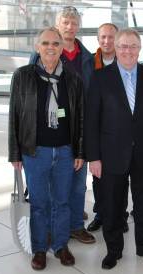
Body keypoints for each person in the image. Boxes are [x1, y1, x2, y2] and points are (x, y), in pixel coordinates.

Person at [85, 28, 143, 270]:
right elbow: (91, 121)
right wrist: (93, 157)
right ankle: (113, 250)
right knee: (112, 205)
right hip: (110, 156)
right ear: (115, 49)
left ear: (139, 49)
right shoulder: (100, 78)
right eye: (123, 46)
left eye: (132, 46)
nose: (128, 50)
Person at [8, 27, 84, 270]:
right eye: (46, 43)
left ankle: (60, 245)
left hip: (64, 151)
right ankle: (40, 248)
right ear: (37, 47)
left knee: (62, 201)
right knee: (39, 203)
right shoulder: (22, 76)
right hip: (35, 151)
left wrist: (80, 151)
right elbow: (14, 117)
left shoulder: (72, 79)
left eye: (55, 43)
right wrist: (15, 153)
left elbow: (80, 118)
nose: (51, 47)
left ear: (62, 48)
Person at [30, 6, 95, 244]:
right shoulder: (40, 54)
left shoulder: (87, 57)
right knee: (48, 186)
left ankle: (76, 225)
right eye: (65, 22)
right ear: (58, 25)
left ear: (78, 26)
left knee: (78, 183)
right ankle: (47, 228)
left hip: (77, 130)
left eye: (73, 23)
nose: (69, 27)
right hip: (47, 132)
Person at [87, 23, 130, 234]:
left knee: (121, 180)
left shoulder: (127, 63)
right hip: (100, 131)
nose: (107, 41)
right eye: (103, 37)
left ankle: (120, 215)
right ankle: (101, 214)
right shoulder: (89, 63)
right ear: (98, 39)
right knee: (99, 178)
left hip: (122, 136)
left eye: (111, 37)